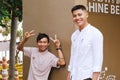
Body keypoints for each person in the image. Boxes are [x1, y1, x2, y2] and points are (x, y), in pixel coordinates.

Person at [67, 5, 103, 80]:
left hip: (87, 77)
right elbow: (73, 57)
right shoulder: (74, 35)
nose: (77, 18)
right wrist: (69, 75)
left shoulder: (95, 33)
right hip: (74, 76)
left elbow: (98, 60)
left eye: (80, 15)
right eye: (74, 16)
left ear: (86, 14)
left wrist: (95, 78)